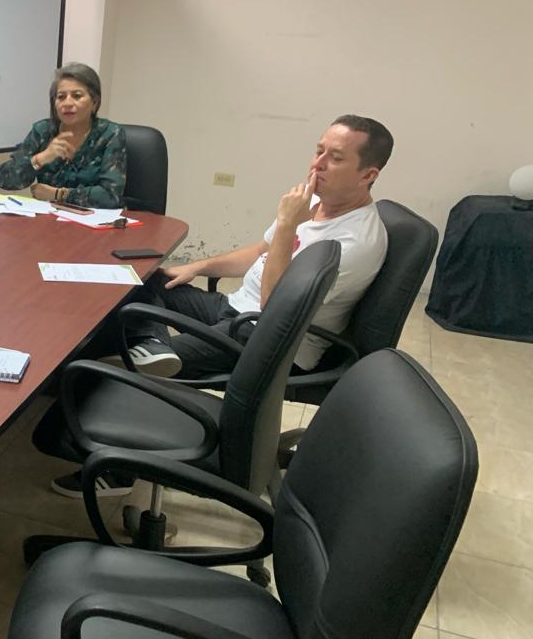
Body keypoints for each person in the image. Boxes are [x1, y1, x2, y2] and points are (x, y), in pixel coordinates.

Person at [50, 114, 394, 498]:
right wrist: (197, 267)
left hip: (267, 339)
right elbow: (259, 252)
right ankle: (152, 344)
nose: (318, 164)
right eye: (319, 151)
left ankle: (120, 471)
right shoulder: (314, 202)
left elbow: (275, 309)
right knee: (146, 279)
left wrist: (287, 226)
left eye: (336, 158)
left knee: (128, 363)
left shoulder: (353, 242)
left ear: (368, 175)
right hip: (237, 310)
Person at [0, 63, 127, 208]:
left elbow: (110, 195)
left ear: (94, 103)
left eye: (77, 96)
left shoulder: (110, 134)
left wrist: (59, 194)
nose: (67, 103)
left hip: (95, 220)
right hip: (49, 217)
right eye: (61, 97)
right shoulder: (43, 131)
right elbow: (4, 181)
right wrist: (41, 159)